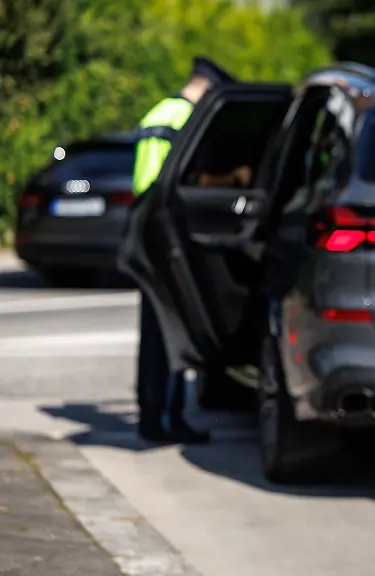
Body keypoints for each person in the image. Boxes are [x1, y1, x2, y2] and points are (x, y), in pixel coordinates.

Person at [132, 56, 240, 444]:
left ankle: (157, 415)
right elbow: (181, 181)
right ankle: (164, 418)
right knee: (169, 334)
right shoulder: (184, 118)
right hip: (167, 234)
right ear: (208, 89)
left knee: (159, 333)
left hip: (150, 231)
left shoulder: (160, 110)